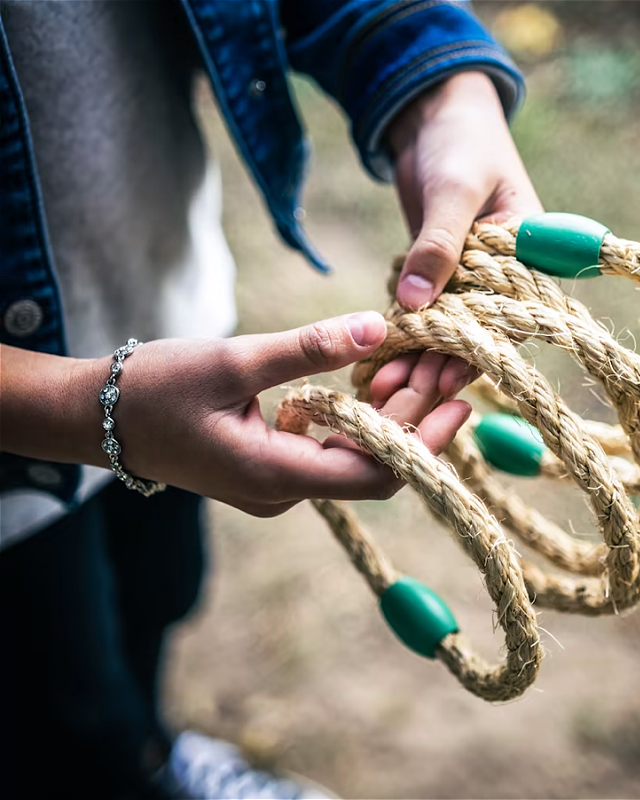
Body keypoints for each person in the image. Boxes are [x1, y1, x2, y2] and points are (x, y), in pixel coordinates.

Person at [0, 1, 544, 797]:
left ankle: (150, 756)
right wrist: (87, 408)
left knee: (159, 590)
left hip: (166, 325)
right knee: (54, 698)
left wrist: (441, 88)